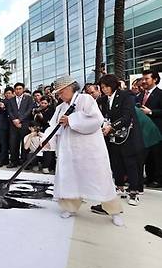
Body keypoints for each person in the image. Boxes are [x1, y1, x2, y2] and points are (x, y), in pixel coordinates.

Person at [47, 75, 124, 227]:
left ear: (70, 88)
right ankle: (70, 208)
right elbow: (52, 126)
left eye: (61, 92)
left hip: (90, 150)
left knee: (100, 179)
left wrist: (72, 120)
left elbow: (96, 120)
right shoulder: (60, 107)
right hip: (69, 151)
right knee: (71, 179)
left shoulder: (85, 99)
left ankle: (114, 211)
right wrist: (46, 141)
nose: (59, 95)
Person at [97, 74, 145, 206]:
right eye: (102, 87)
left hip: (128, 135)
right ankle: (119, 186)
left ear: (113, 85)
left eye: (106, 87)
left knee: (130, 163)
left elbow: (127, 116)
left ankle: (134, 192)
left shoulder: (126, 96)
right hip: (114, 137)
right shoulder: (104, 100)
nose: (104, 89)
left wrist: (111, 127)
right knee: (116, 161)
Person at [138, 70, 162, 188]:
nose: (143, 81)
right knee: (147, 157)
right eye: (143, 79)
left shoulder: (160, 94)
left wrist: (150, 112)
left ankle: (159, 179)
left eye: (146, 79)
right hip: (144, 131)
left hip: (157, 130)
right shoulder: (141, 95)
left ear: (155, 79)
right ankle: (149, 177)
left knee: (157, 156)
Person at [6, 82, 34, 167]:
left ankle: (25, 162)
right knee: (13, 143)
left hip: (24, 124)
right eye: (16, 89)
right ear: (14, 90)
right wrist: (14, 120)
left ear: (23, 89)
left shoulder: (29, 98)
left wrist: (20, 120)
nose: (18, 90)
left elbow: (29, 110)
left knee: (25, 143)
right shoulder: (11, 100)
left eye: (20, 89)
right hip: (13, 125)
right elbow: (9, 111)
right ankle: (14, 161)